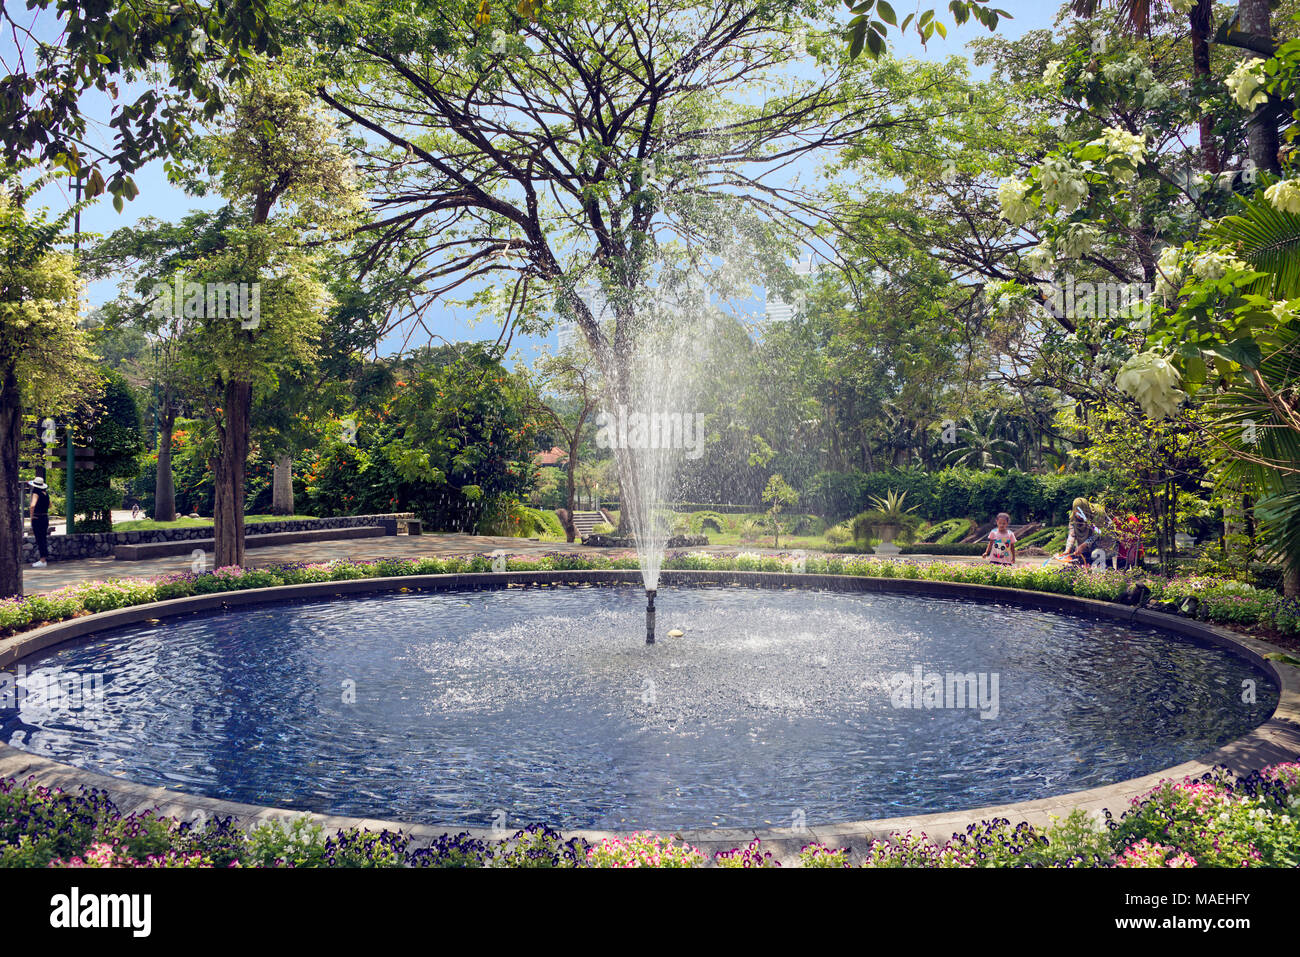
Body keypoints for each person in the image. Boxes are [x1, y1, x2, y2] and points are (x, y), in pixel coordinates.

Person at [28, 476, 50, 568]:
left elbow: (32, 505)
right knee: (43, 538)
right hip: (45, 517)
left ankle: (42, 560)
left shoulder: (36, 493)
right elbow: (50, 505)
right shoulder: (45, 493)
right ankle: (43, 559)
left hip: (38, 518)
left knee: (39, 539)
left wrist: (31, 517)